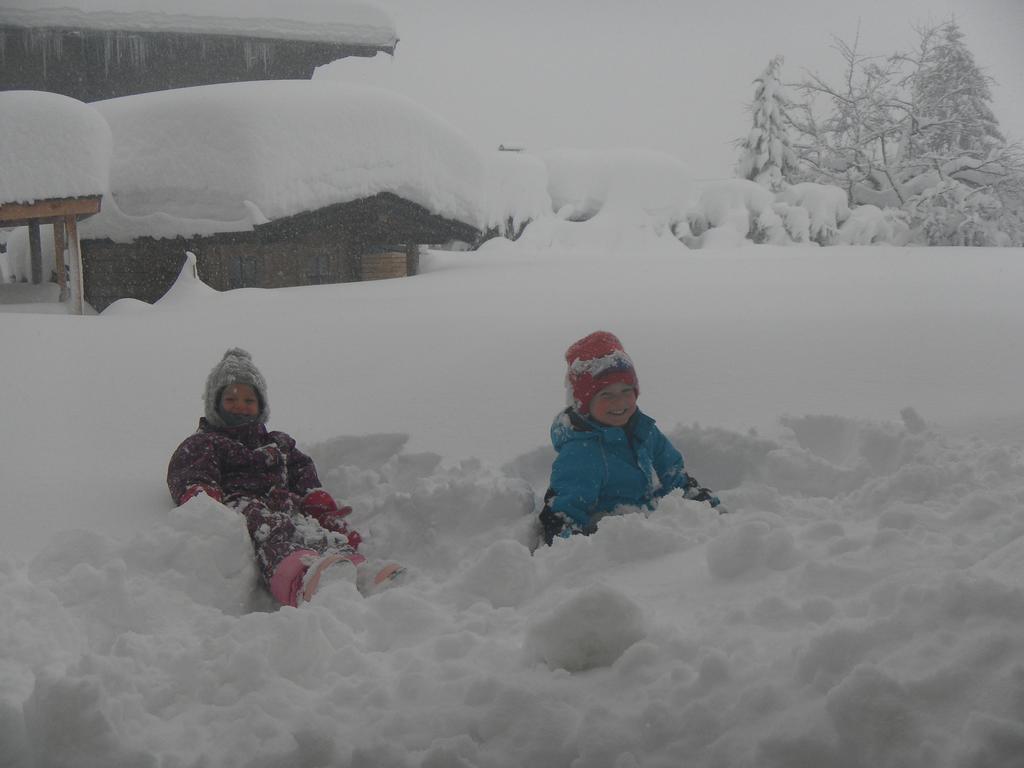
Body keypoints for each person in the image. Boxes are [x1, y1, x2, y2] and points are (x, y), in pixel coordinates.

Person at [167, 348, 402, 606]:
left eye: (249, 400)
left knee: (312, 530)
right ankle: (301, 582)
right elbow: (191, 470)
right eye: (231, 399)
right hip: (243, 507)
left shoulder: (278, 442)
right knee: (273, 535)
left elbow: (301, 469)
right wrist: (201, 494)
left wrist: (315, 499)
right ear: (215, 403)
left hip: (286, 505)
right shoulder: (207, 442)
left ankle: (358, 572)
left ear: (261, 406)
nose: (240, 407)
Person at [539, 331, 725, 544]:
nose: (619, 402)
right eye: (606, 395)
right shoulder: (582, 452)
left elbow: (672, 473)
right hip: (614, 540)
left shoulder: (643, 429)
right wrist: (572, 549)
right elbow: (565, 512)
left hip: (648, 525)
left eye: (626, 391)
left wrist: (698, 500)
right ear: (583, 404)